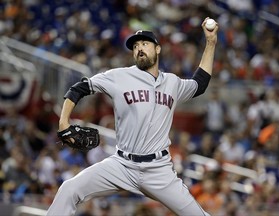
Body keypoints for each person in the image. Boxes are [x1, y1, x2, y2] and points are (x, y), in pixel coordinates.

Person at [46, 17, 218, 216]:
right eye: (135, 46)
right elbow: (80, 88)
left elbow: (200, 83)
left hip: (158, 170)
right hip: (122, 165)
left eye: (145, 43)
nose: (140, 49)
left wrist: (211, 42)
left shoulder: (172, 83)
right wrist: (63, 121)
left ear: (158, 49)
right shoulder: (119, 76)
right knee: (69, 189)